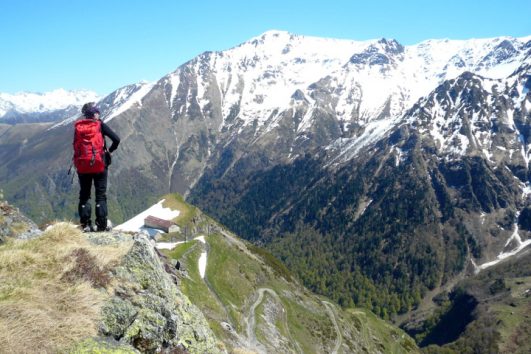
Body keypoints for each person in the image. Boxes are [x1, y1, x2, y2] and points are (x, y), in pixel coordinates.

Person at [76, 102, 120, 232]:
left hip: (83, 165)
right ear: (94, 114)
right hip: (100, 164)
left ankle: (85, 225)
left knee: (84, 195)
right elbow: (116, 139)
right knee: (100, 195)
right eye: (97, 112)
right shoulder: (100, 125)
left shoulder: (79, 127)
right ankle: (101, 225)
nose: (98, 114)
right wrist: (108, 151)